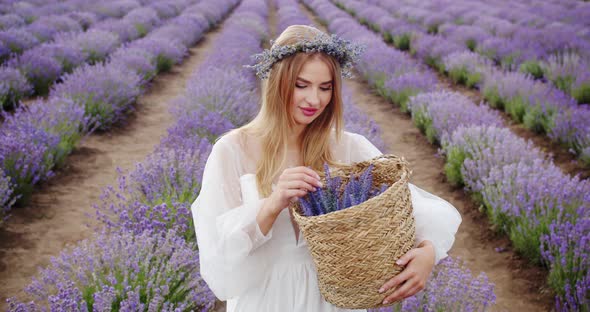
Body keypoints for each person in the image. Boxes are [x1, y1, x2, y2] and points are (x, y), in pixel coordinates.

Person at [190, 25, 462, 312]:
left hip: (334, 301)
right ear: (277, 82)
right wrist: (272, 204)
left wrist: (427, 252)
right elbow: (219, 257)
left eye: (325, 88)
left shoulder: (348, 147)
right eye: (301, 85)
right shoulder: (232, 151)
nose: (314, 100)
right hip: (266, 299)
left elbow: (408, 210)